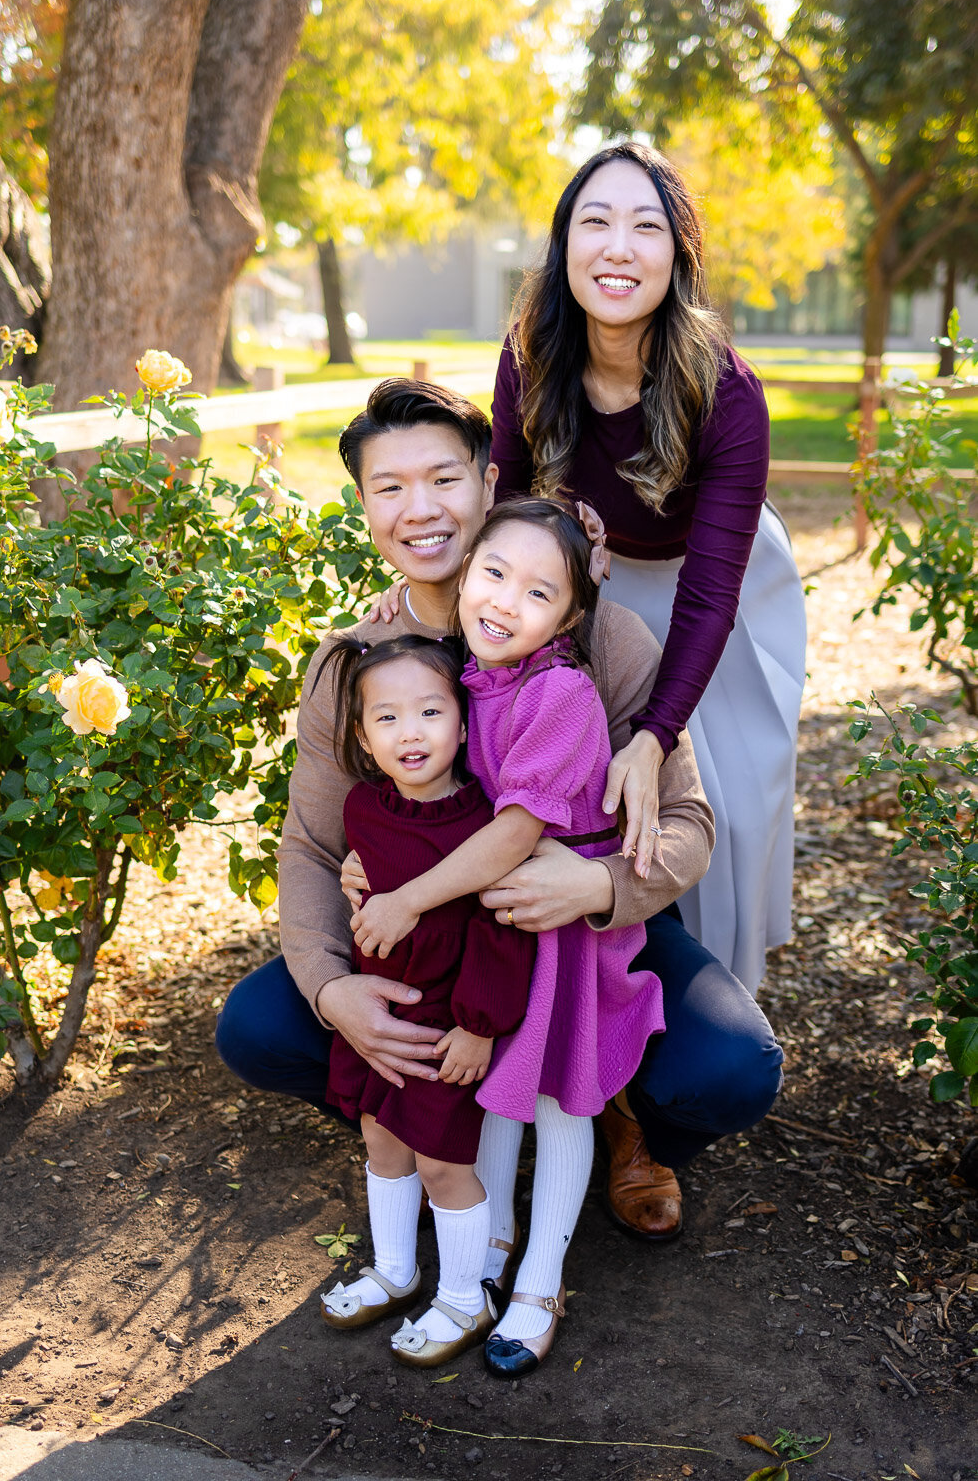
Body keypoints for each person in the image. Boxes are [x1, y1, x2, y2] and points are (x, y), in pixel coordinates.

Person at [215, 380, 782, 1252]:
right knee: (261, 1028)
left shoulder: (602, 638)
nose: (419, 510)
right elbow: (310, 843)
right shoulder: (353, 662)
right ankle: (439, 1131)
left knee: (731, 1071)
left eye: (443, 479)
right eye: (389, 488)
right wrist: (333, 991)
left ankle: (617, 1118)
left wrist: (596, 883)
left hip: (580, 928)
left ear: (489, 485)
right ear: (364, 505)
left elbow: (688, 824)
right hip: (432, 940)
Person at [351, 496, 666, 1376]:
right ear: (462, 576)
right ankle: (485, 1246)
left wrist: (407, 897)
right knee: (490, 1083)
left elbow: (514, 831)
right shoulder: (466, 677)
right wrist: (367, 867)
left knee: (563, 1102)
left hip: (557, 931)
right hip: (492, 928)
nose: (502, 602)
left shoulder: (558, 692)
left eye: (537, 592)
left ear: (568, 617)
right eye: (491, 573)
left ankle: (538, 1280)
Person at [488, 139, 806, 998]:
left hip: (717, 585)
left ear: (678, 254)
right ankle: (592, 1009)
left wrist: (657, 734)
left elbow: (710, 591)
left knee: (724, 811)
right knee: (587, 788)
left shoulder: (724, 387)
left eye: (645, 225)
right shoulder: (530, 353)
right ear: (563, 248)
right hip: (603, 577)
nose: (617, 247)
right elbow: (504, 507)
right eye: (594, 222)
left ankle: (712, 1008)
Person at [316, 634, 534, 1368]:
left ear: (464, 723)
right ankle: (396, 1270)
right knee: (380, 1136)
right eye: (386, 718)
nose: (409, 733)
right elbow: (366, 882)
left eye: (429, 712)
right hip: (376, 1010)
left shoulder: (487, 825)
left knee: (443, 1163)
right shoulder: (362, 810)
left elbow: (502, 932)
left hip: (446, 1020)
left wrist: (478, 1027)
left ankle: (466, 1298)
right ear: (361, 735)